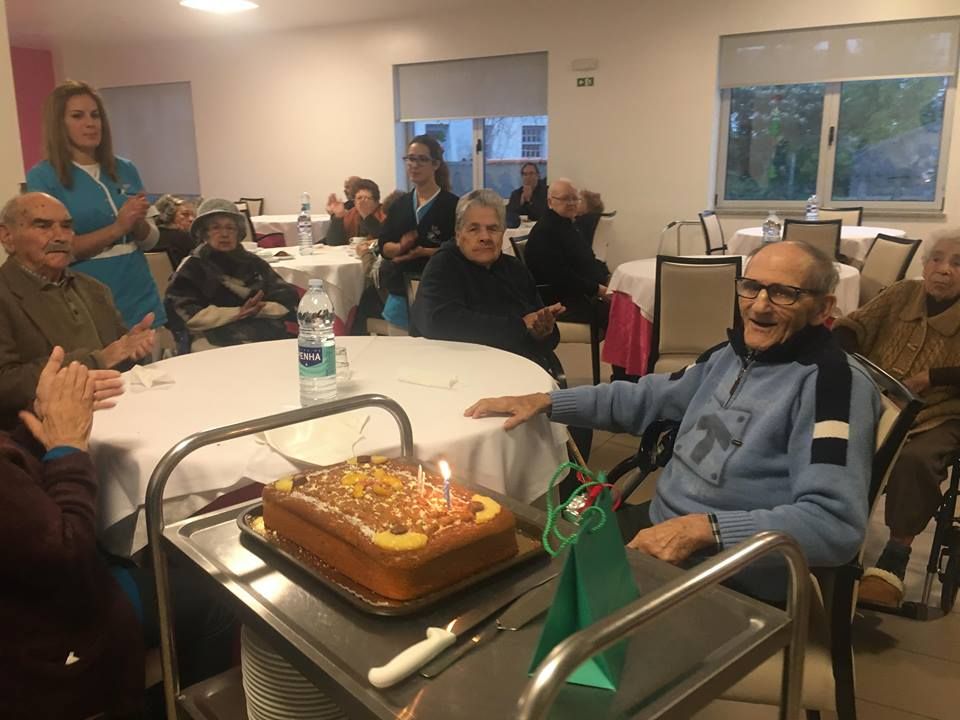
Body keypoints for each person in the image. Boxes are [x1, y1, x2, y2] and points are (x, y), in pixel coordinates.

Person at [465, 241, 882, 599]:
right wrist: (548, 401)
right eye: (751, 286)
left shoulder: (832, 386)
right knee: (521, 566)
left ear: (823, 309)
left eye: (784, 294)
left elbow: (834, 524)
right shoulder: (733, 355)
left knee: (555, 608)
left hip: (731, 571)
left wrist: (705, 530)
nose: (759, 305)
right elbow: (648, 398)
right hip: (664, 527)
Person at [1, 346, 236, 717]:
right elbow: (67, 553)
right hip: (42, 632)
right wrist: (67, 447)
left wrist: (42, 425)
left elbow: (17, 498)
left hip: (32, 589)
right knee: (217, 599)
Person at [833, 230, 960, 608]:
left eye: (958, 263)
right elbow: (852, 326)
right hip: (875, 401)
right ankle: (829, 532)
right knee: (832, 439)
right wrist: (849, 361)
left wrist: (933, 377)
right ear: (924, 263)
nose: (944, 270)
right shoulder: (902, 292)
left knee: (915, 460)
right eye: (937, 259)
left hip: (939, 413)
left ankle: (895, 557)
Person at [0, 192, 155, 427]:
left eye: (66, 226)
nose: (60, 236)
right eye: (43, 226)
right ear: (7, 236)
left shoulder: (95, 289)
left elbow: (118, 360)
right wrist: (97, 360)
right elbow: (5, 384)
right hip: (38, 434)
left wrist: (133, 348)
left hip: (119, 416)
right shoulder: (5, 294)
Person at [26, 79, 167, 331]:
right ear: (59, 123)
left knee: (151, 357)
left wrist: (136, 222)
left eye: (95, 115)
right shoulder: (43, 177)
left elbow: (151, 240)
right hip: (87, 298)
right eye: (77, 116)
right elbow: (55, 250)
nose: (90, 123)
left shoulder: (125, 168)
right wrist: (117, 228)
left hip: (139, 294)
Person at [411, 188, 564, 370]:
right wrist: (521, 326)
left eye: (493, 229)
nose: (485, 237)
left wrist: (541, 332)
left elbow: (541, 328)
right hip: (462, 371)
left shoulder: (514, 268)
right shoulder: (443, 265)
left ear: (503, 233)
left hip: (518, 367)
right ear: (458, 234)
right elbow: (439, 322)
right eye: (474, 229)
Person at [165, 198, 300, 352]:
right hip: (211, 336)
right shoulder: (193, 266)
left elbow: (287, 298)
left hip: (263, 331)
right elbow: (179, 311)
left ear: (239, 232)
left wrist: (261, 309)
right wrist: (237, 313)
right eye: (216, 228)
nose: (224, 234)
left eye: (230, 228)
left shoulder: (253, 263)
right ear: (204, 233)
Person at [377, 134, 458, 329]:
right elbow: (383, 245)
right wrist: (399, 248)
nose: (414, 165)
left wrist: (425, 252)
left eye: (422, 159)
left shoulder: (453, 205)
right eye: (410, 159)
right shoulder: (399, 205)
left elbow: (460, 248)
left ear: (436, 164)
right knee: (399, 349)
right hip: (400, 296)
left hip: (441, 294)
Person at [524, 178, 611, 325]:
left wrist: (607, 277)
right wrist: (597, 289)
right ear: (550, 202)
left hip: (579, 292)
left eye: (574, 198)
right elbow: (560, 276)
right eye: (565, 198)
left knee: (627, 303)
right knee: (620, 313)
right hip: (559, 300)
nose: (571, 203)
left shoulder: (567, 225)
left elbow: (586, 259)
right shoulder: (546, 231)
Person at [325, 178, 386, 247]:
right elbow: (334, 242)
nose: (362, 202)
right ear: (354, 202)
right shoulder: (351, 214)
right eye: (359, 198)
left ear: (376, 202)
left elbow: (385, 239)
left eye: (367, 198)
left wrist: (366, 215)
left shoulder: (385, 213)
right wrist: (338, 216)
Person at [152, 193, 200, 268]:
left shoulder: (148, 239)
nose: (192, 219)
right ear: (169, 215)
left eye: (193, 215)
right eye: (185, 214)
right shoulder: (185, 238)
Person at [505, 162, 547, 228]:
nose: (528, 177)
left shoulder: (546, 192)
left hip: (540, 228)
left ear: (537, 175)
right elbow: (510, 214)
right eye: (525, 174)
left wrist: (529, 201)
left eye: (531, 173)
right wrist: (521, 203)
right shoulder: (516, 194)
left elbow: (543, 214)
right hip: (519, 229)